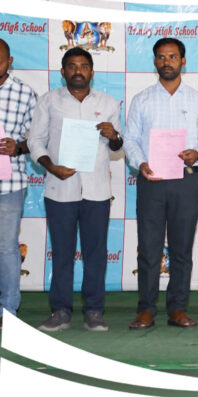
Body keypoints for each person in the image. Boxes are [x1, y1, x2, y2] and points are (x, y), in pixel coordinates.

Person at [123, 38, 198, 329]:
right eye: (161, 57)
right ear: (155, 62)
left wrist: (197, 154)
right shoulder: (142, 100)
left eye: (173, 56)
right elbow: (130, 139)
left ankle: (177, 308)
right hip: (152, 181)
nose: (167, 62)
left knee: (181, 248)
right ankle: (146, 309)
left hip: (185, 181)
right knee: (149, 248)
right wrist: (141, 162)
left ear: (183, 61)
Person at [30, 47, 122, 332]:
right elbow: (35, 141)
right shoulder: (48, 102)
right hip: (60, 188)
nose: (78, 71)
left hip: (96, 190)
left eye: (83, 66)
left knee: (95, 254)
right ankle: (60, 311)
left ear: (92, 71)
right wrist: (51, 166)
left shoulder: (108, 103)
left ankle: (94, 311)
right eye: (72, 66)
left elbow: (117, 146)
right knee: (62, 253)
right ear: (63, 71)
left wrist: (114, 136)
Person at [0, 38, 38, 331]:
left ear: (10, 62)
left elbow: (37, 139)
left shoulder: (25, 93)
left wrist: (18, 147)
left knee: (6, 248)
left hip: (9, 184)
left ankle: (8, 311)